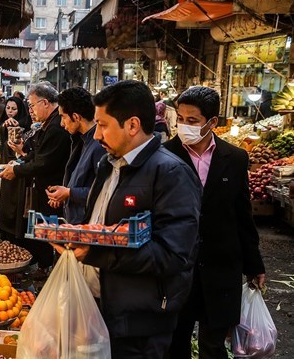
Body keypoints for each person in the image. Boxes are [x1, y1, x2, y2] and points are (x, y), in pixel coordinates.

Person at [52, 80, 202, 358]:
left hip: (138, 326)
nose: (96, 135)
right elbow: (100, 224)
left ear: (132, 125)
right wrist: (77, 235)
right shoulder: (108, 165)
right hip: (97, 310)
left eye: (103, 125)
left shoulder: (171, 174)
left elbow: (173, 254)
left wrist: (98, 253)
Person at [164, 86, 266, 359]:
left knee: (213, 346)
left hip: (222, 265)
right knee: (175, 343)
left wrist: (254, 264)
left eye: (193, 121)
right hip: (179, 268)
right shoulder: (164, 156)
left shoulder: (234, 158)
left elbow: (242, 214)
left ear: (212, 123)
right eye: (180, 120)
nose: (184, 126)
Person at [0, 82, 71, 268]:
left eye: (32, 105)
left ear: (45, 103)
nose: (30, 110)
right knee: (43, 231)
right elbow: (38, 155)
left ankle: (47, 267)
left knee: (47, 235)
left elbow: (42, 163)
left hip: (51, 192)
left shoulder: (55, 127)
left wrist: (16, 170)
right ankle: (45, 266)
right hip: (46, 190)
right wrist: (22, 157)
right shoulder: (48, 124)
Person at [46, 87, 106, 224]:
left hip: (87, 227)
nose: (61, 123)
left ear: (76, 117)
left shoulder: (99, 146)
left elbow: (103, 192)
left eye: (63, 117)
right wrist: (64, 194)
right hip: (74, 223)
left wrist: (68, 193)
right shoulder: (80, 140)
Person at [0, 96, 31, 241]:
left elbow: (22, 147)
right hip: (5, 166)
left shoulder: (26, 125)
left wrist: (15, 127)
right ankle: (4, 234)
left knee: (15, 205)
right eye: (8, 108)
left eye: (14, 109)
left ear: (20, 110)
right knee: (5, 201)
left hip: (18, 170)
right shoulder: (1, 124)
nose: (10, 111)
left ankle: (15, 236)